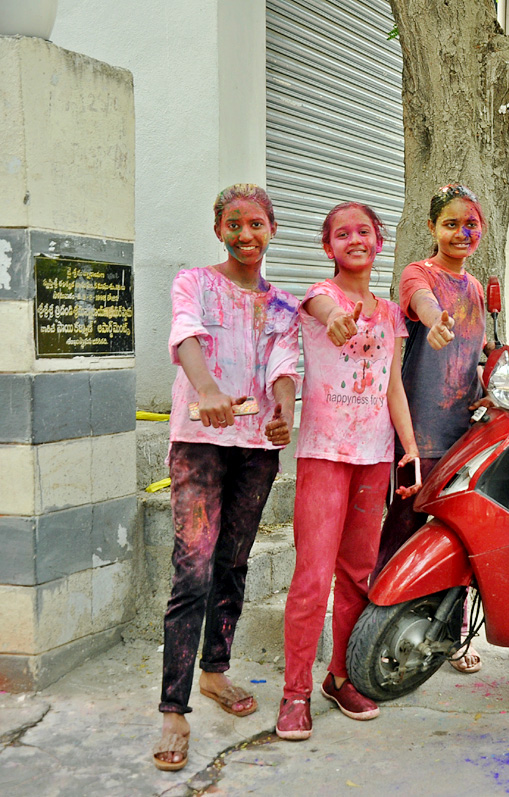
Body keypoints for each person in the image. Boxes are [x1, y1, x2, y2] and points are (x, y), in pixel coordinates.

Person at [153, 184, 300, 771]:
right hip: (198, 443)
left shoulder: (282, 304)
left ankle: (215, 671)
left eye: (256, 224)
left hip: (256, 448)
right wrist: (208, 390)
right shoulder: (195, 282)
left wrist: (284, 411)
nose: (246, 234)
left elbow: (283, 364)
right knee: (192, 569)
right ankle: (173, 709)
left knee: (234, 562)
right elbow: (185, 335)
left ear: (271, 231)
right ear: (219, 229)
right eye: (234, 224)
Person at [276, 203, 421, 740]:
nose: (354, 240)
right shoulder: (321, 296)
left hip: (374, 456)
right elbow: (318, 308)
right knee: (312, 577)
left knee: (359, 573)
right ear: (328, 246)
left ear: (379, 241)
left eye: (364, 231)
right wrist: (334, 316)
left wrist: (409, 446)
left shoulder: (390, 314)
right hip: (323, 454)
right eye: (342, 234)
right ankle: (295, 693)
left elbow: (392, 385)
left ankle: (340, 676)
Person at [376, 184, 491, 674]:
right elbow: (421, 302)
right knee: (401, 532)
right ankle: (376, 627)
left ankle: (451, 636)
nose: (461, 233)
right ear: (432, 228)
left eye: (470, 225)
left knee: (458, 535)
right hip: (416, 437)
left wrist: (489, 383)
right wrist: (434, 319)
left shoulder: (478, 288)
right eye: (451, 224)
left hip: (463, 434)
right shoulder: (417, 275)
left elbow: (477, 354)